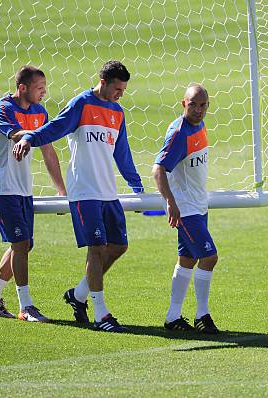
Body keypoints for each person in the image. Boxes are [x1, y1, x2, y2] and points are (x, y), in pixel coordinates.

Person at [13, 60, 144, 332]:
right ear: (104, 82)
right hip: (84, 192)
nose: (121, 94)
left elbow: (123, 154)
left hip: (108, 192)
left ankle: (78, 295)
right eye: (118, 89)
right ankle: (101, 315)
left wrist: (138, 187)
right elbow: (56, 128)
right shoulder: (81, 104)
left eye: (124, 89)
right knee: (95, 249)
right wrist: (29, 139)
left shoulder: (117, 112)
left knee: (119, 246)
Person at [0, 65, 66, 322]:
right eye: (40, 88)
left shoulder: (40, 111)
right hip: (1, 186)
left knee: (25, 244)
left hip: (22, 187)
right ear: (22, 88)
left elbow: (48, 150)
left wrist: (62, 190)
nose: (44, 93)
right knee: (20, 244)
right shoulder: (3, 108)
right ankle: (26, 306)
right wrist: (30, 136)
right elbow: (16, 134)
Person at [152, 84, 219, 334]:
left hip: (198, 205)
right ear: (183, 104)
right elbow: (158, 169)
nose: (198, 110)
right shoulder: (179, 133)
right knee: (209, 257)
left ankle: (172, 317)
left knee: (187, 260)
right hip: (185, 209)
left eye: (203, 105)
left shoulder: (199, 126)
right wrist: (170, 201)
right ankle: (202, 315)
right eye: (193, 105)